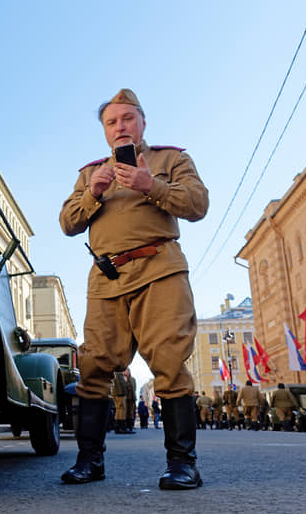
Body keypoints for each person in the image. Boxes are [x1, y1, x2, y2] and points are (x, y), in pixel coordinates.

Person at [58, 88, 208, 490]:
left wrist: (149, 184)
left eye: (127, 118)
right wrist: (93, 194)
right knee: (92, 368)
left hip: (159, 270)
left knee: (170, 364)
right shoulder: (90, 173)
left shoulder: (171, 159)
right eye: (112, 122)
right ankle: (90, 461)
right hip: (107, 279)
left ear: (142, 122)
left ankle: (182, 464)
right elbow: (68, 223)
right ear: (105, 132)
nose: (120, 126)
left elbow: (197, 204)